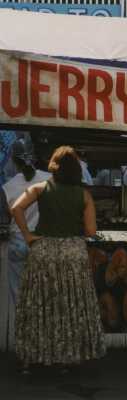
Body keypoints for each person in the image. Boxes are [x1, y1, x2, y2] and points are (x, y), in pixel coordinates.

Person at [11, 146, 106, 372]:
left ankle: (34, 357)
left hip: (43, 251)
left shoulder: (40, 188)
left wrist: (27, 235)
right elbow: (91, 231)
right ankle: (68, 357)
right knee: (71, 306)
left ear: (53, 166)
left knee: (40, 305)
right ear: (77, 170)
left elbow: (15, 208)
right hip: (73, 254)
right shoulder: (84, 195)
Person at [0, 140, 50, 350]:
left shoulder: (7, 187)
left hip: (18, 244)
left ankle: (25, 350)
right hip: (45, 244)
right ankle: (44, 346)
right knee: (45, 297)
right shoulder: (50, 180)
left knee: (20, 300)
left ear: (13, 160)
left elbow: (3, 225)